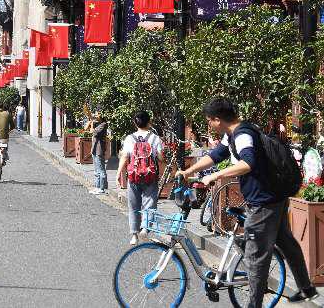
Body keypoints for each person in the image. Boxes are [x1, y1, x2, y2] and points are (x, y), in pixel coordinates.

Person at [178, 98, 318, 304]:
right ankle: (306, 288)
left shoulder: (243, 135)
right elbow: (216, 155)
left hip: (263, 203)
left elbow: (247, 163)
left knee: (255, 258)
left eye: (209, 121)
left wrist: (215, 175)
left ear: (217, 120)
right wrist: (189, 170)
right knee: (286, 244)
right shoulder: (233, 133)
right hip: (272, 198)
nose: (209, 125)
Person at [116, 111, 164, 245]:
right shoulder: (155, 138)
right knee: (150, 203)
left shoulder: (129, 138)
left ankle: (134, 236)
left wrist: (118, 173)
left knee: (133, 205)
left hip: (133, 176)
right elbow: (160, 157)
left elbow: (125, 156)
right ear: (149, 122)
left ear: (135, 123)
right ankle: (145, 228)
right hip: (150, 175)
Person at [88, 114, 109, 195]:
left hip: (99, 150)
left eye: (97, 115)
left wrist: (91, 123)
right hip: (94, 149)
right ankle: (97, 187)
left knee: (101, 170)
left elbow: (92, 132)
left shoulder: (103, 125)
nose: (95, 116)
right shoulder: (98, 124)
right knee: (96, 170)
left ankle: (102, 188)